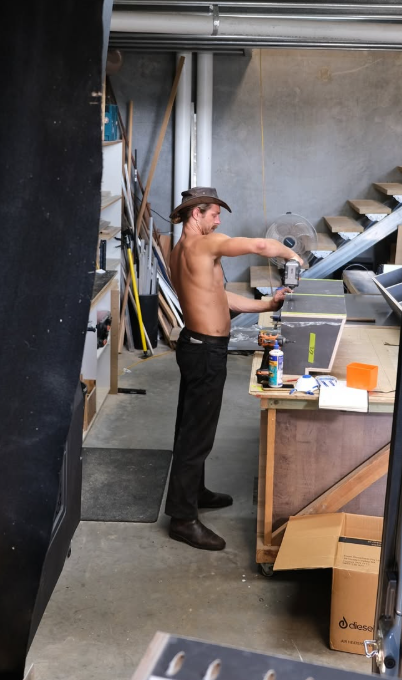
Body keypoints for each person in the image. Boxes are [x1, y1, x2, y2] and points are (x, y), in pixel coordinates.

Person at [165, 186, 304, 551]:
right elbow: (259, 246)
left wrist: (266, 304)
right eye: (214, 214)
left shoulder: (180, 252)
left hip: (195, 346)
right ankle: (182, 518)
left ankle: (195, 493)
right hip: (205, 351)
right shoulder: (205, 245)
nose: (219, 220)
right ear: (196, 214)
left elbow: (218, 297)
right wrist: (292, 253)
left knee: (191, 425)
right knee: (197, 435)